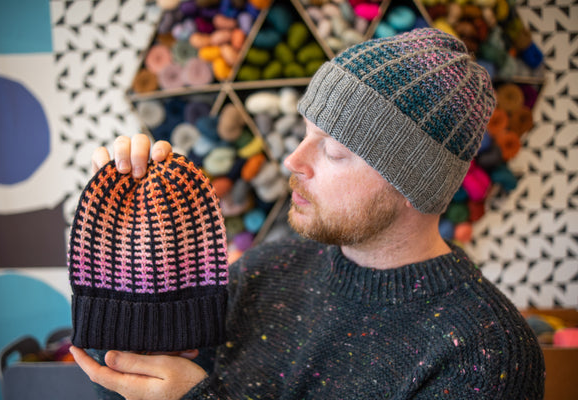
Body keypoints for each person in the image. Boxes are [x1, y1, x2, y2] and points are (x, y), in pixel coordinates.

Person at [70, 28, 545, 399]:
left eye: (333, 150)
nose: (292, 160)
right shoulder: (265, 272)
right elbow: (122, 380)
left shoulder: (485, 351)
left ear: (413, 183)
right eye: (305, 133)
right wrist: (135, 245)